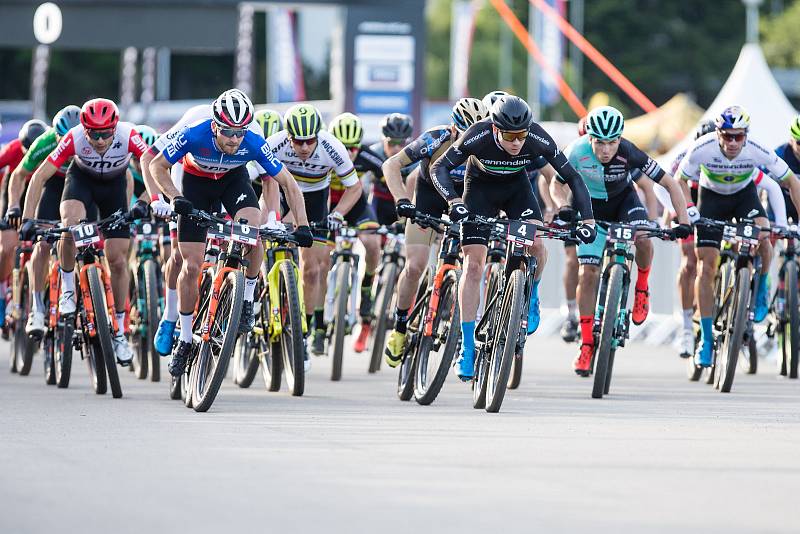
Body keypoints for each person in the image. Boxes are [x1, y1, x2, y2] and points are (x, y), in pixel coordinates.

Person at [428, 95, 597, 380]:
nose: (517, 142)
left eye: (521, 135)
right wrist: (454, 201)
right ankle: (467, 347)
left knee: (537, 246)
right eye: (510, 135)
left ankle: (529, 295)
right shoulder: (477, 135)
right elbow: (439, 168)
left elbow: (573, 177)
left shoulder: (536, 137)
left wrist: (588, 220)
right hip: (479, 190)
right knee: (472, 266)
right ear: (495, 129)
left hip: (516, 190)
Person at [149, 89, 313, 376]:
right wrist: (175, 198)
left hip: (231, 181)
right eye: (227, 132)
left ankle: (246, 299)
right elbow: (156, 165)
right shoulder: (195, 132)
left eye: (240, 133)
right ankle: (185, 339)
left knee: (254, 232)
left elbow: (287, 183)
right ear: (215, 125)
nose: (234, 139)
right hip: (195, 183)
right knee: (191, 265)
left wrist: (303, 226)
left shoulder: (252, 141)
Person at [552, 106, 691, 376]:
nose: (606, 150)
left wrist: (682, 220)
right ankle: (587, 343)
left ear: (620, 139)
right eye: (599, 143)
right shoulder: (576, 151)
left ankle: (641, 287)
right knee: (588, 274)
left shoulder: (629, 151)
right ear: (589, 138)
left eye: (612, 142)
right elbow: (556, 184)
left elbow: (669, 183)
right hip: (589, 209)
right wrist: (561, 207)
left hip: (624, 203)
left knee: (643, 237)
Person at [23, 99, 147, 364]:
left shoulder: (129, 135)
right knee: (70, 224)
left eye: (105, 134)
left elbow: (152, 164)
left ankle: (119, 331)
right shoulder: (73, 137)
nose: (100, 140)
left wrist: (149, 201)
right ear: (84, 128)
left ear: (115, 127)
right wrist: (27, 218)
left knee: (117, 259)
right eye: (93, 134)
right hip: (81, 183)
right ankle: (67, 288)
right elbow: (38, 176)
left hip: (114, 189)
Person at [676, 105, 800, 367]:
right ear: (718, 133)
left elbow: (791, 182)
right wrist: (688, 210)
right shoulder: (702, 148)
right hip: (711, 199)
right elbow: (679, 181)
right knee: (706, 267)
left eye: (739, 136)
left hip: (744, 198)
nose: (733, 142)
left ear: (746, 135)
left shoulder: (756, 148)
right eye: (727, 136)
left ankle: (761, 287)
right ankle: (707, 340)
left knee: (764, 237)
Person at [381, 98, 490, 368]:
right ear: (455, 128)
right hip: (429, 197)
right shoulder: (436, 137)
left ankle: (459, 325)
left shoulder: (489, 144)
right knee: (415, 265)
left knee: (473, 266)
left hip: (465, 199)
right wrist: (401, 200)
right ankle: (400, 326)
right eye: (465, 132)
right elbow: (391, 165)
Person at [7, 106, 81, 335]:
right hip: (53, 184)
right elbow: (19, 175)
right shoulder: (45, 142)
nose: (67, 145)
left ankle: (92, 300)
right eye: (62, 139)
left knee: (89, 242)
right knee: (42, 244)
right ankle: (36, 308)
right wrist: (14, 208)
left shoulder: (91, 140)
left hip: (81, 183)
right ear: (55, 135)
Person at [328, 112, 384, 352]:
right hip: (328, 205)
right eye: (343, 147)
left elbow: (390, 176)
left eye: (353, 148)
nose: (349, 154)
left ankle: (366, 288)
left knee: (372, 244)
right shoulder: (324, 153)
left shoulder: (366, 156)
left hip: (357, 206)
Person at [0, 119, 47, 331]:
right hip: (14, 196)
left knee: (47, 239)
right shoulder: (12, 150)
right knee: (8, 246)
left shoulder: (47, 150)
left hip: (38, 194)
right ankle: (3, 292)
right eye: (26, 149)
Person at [367, 113, 416, 226]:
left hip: (405, 201)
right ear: (383, 140)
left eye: (401, 143)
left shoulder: (415, 156)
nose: (396, 148)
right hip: (379, 201)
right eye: (392, 143)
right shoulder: (373, 153)